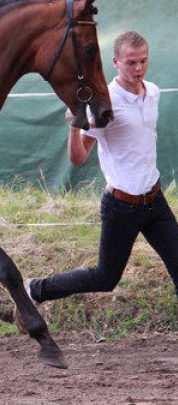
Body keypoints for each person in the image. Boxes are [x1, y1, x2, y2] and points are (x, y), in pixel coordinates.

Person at [25, 30, 178, 311]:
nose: (138, 68)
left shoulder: (152, 92)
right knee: (105, 278)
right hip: (122, 206)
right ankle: (35, 290)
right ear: (116, 62)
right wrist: (74, 125)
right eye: (131, 62)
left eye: (143, 61)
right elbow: (78, 157)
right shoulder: (106, 103)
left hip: (154, 200)